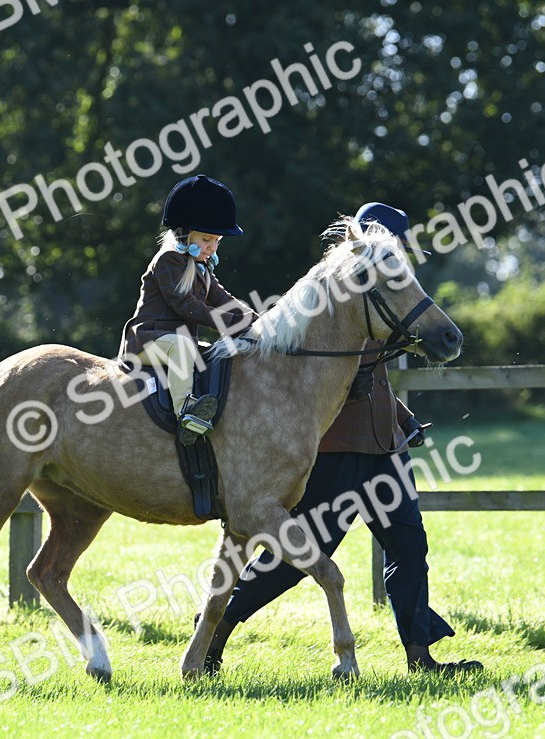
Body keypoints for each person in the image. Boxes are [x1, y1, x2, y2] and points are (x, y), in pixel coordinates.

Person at [203, 202, 483, 676]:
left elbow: (376, 378)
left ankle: (421, 657)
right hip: (336, 450)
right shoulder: (335, 302)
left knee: (410, 547)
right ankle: (212, 633)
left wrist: (402, 416)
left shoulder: (390, 299)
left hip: (384, 449)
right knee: (297, 558)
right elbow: (331, 378)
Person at [119, 174, 258, 444]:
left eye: (217, 241)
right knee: (183, 346)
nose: (213, 247)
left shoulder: (202, 268)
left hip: (174, 343)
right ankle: (186, 413)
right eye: (207, 239)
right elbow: (186, 305)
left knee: (216, 354)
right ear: (185, 233)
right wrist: (232, 323)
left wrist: (258, 321)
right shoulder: (168, 261)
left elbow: (222, 298)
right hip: (147, 341)